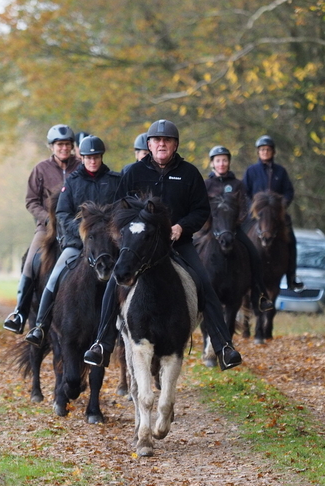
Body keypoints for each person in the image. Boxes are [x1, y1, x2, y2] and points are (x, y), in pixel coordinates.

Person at [83, 119, 243, 371]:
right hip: (140, 246)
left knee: (203, 283)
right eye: (156, 140)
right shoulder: (133, 173)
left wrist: (181, 227)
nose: (161, 144)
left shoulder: (189, 173)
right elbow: (119, 209)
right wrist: (134, 230)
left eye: (166, 140)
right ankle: (102, 344)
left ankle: (224, 346)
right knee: (115, 282)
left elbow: (201, 210)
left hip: (177, 244)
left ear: (175, 144)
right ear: (149, 144)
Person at [25, 136, 121, 346]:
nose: (93, 161)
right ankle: (40, 325)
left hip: (108, 245)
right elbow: (62, 213)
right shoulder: (73, 181)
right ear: (82, 157)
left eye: (96, 157)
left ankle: (127, 327)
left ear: (101, 157)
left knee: (129, 275)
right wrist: (82, 231)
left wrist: (110, 232)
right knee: (54, 277)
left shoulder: (115, 180)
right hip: (78, 244)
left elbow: (123, 211)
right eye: (88, 157)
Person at [3, 124, 81, 334]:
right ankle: (20, 312)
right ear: (52, 147)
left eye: (67, 144)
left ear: (73, 146)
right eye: (60, 145)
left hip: (75, 228)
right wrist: (47, 219)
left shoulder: (81, 167)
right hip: (47, 229)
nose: (64, 148)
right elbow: (31, 201)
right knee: (30, 262)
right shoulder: (40, 169)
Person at [205, 145, 274, 313]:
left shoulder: (237, 184)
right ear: (212, 164)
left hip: (233, 230)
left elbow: (245, 208)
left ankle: (260, 295)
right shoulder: (206, 185)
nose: (222, 163)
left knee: (254, 255)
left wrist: (233, 224)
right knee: (190, 251)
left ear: (229, 163)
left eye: (225, 160)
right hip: (210, 230)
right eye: (218, 160)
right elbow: (201, 208)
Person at [242, 135, 303, 291]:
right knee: (239, 236)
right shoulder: (251, 171)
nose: (265, 152)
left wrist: (281, 206)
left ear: (273, 152)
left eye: (268, 149)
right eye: (262, 149)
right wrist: (253, 207)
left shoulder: (280, 172)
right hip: (255, 215)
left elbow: (289, 192)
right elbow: (244, 192)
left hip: (277, 216)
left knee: (292, 240)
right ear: (258, 152)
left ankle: (291, 277)